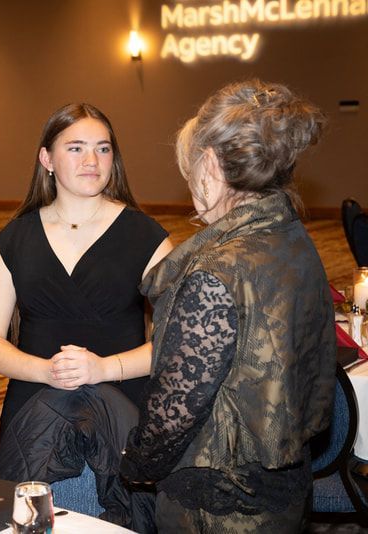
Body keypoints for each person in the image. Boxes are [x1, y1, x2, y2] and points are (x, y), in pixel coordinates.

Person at [119, 80, 336, 532]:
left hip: (220, 507)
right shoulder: (292, 240)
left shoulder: (215, 273)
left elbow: (174, 410)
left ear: (212, 165)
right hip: (286, 487)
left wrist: (134, 466)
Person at [0, 103, 172, 524]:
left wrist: (103, 369)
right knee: (35, 524)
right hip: (34, 404)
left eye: (102, 149)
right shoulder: (16, 238)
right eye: (76, 148)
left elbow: (177, 344)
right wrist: (45, 371)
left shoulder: (146, 236)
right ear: (47, 159)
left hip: (125, 403)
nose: (91, 161)